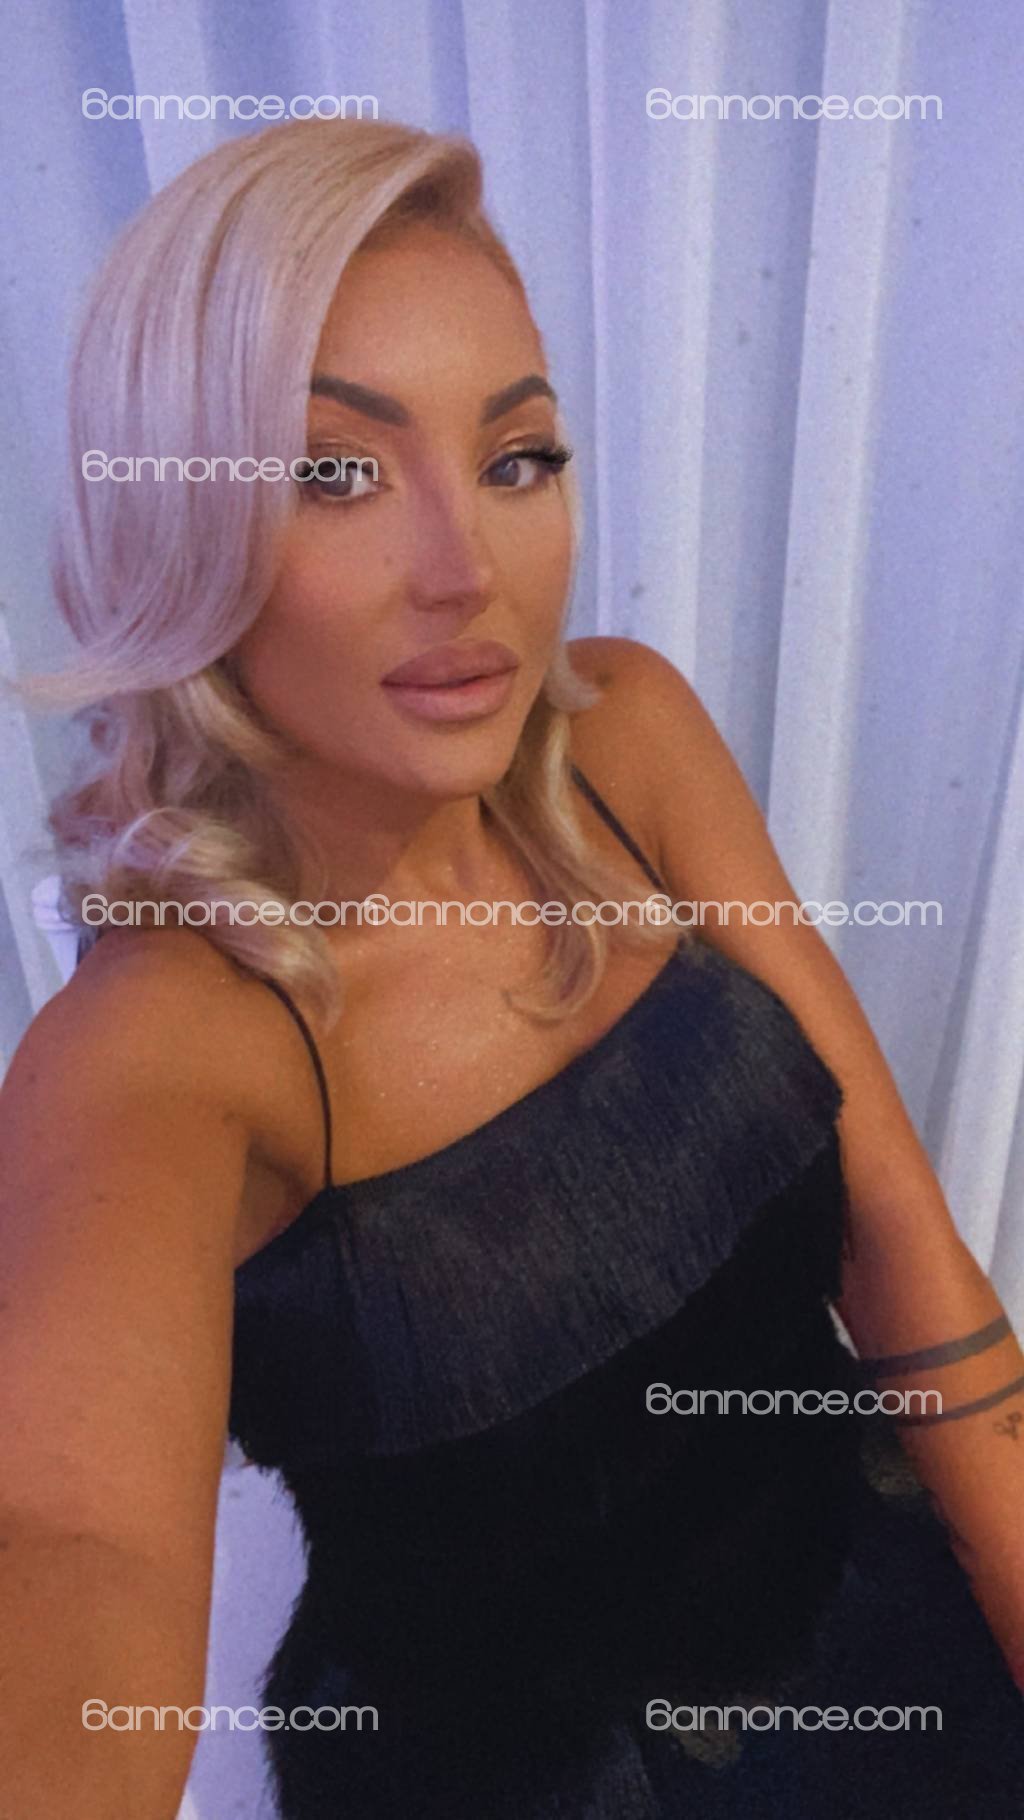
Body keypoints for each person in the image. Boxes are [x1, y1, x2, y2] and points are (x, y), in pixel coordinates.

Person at [1, 115, 1022, 1820]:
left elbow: (903, 1245)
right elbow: (64, 1537)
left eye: (518, 457)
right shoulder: (160, 1047)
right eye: (336, 474)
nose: (466, 570)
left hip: (878, 1632)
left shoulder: (630, 738)